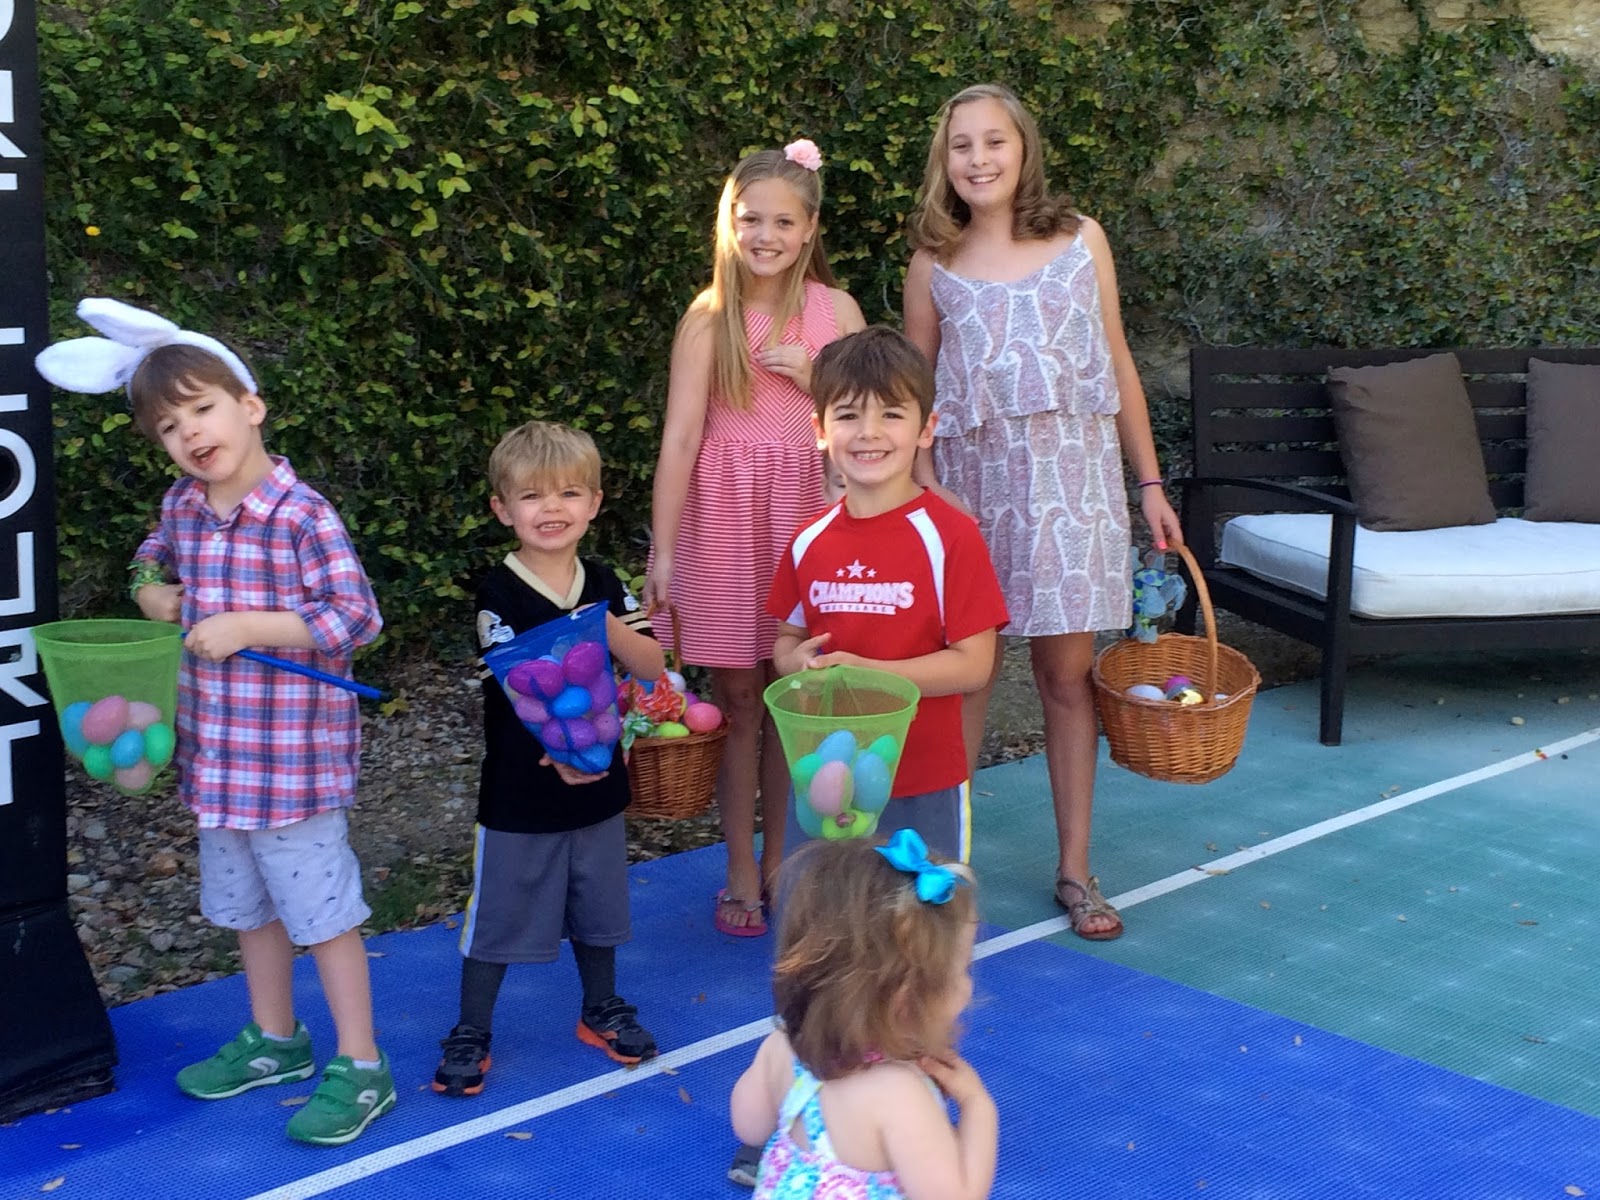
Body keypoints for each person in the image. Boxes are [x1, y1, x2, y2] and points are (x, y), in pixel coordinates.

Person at [35, 299, 391, 1146]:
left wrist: (248, 627)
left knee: (323, 917)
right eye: (168, 425)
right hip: (218, 760)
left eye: (202, 407)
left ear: (250, 405)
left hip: (293, 767)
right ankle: (276, 1040)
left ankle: (363, 1065)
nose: (189, 432)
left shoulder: (302, 515)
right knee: (247, 909)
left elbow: (356, 617)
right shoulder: (182, 507)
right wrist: (148, 591)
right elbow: (148, 557)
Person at [902, 83, 1184, 941]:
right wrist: (924, 488)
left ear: (1023, 148)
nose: (979, 159)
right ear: (944, 162)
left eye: (994, 141)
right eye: (961, 145)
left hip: (1074, 488)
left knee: (1066, 679)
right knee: (968, 680)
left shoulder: (1081, 239)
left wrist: (1150, 483)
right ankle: (945, 869)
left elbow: (1119, 361)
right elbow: (915, 391)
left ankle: (1076, 870)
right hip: (970, 495)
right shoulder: (933, 263)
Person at [648, 139, 866, 938]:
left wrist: (817, 377)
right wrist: (664, 550)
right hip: (725, 519)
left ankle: (784, 860)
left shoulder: (837, 312)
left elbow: (869, 419)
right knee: (738, 696)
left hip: (807, 517)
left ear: (809, 229)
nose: (765, 235)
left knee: (794, 696)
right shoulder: (709, 318)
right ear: (729, 224)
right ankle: (740, 864)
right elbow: (680, 439)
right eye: (750, 220)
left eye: (782, 221)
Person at [431, 421, 667, 1098]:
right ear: (503, 509)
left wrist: (600, 621)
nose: (552, 508)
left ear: (594, 503)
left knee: (599, 904)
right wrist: (556, 751)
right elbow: (514, 686)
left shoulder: (604, 581)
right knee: (498, 914)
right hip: (521, 788)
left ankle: (602, 1008)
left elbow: (651, 664)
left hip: (597, 778)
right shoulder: (497, 592)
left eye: (569, 492)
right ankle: (472, 1029)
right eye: (532, 495)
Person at [767, 326, 1010, 866]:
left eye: (891, 414)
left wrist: (868, 674)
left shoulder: (951, 536)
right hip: (826, 784)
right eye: (848, 415)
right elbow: (786, 641)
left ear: (927, 429)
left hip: (924, 777)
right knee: (823, 915)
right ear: (820, 430)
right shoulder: (808, 540)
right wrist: (795, 664)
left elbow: (973, 666)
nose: (868, 433)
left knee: (918, 915)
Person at [730, 831, 998, 1199]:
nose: (968, 985)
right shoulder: (901, 1096)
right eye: (962, 970)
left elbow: (749, 1127)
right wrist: (977, 1106)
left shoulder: (784, 1047)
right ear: (906, 1000)